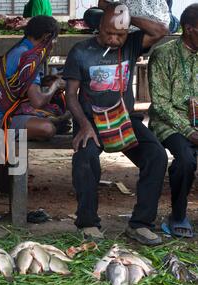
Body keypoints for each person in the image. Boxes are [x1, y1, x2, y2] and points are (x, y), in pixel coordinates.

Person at [63, 2, 169, 245]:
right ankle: (88, 223)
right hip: (90, 120)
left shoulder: (131, 44)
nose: (113, 39)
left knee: (156, 155)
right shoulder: (81, 51)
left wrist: (128, 19)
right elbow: (70, 96)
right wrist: (84, 125)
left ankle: (140, 224)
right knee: (85, 157)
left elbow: (159, 31)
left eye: (119, 35)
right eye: (108, 33)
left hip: (123, 119)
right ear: (98, 27)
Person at [148, 3, 198, 238]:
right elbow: (160, 104)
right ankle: (178, 214)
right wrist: (189, 132)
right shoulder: (163, 54)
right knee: (186, 160)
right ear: (189, 29)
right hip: (168, 123)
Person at [0, 15, 69, 143]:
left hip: (3, 114)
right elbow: (38, 102)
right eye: (53, 40)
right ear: (46, 37)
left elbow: (21, 85)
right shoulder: (29, 58)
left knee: (55, 119)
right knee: (47, 128)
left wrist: (45, 81)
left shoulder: (22, 49)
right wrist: (55, 85)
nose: (53, 45)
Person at [84, 0, 171, 33]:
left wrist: (124, 15)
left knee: (90, 14)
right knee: (173, 21)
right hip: (161, 25)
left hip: (126, 25)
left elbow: (102, 4)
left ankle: (127, 18)